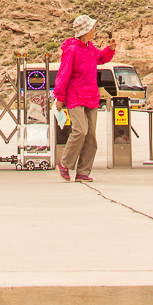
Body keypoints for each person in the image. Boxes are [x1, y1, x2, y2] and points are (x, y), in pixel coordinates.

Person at [52, 14, 114, 183]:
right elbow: (63, 75)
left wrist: (110, 49)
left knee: (91, 136)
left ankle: (83, 172)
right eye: (92, 28)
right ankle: (64, 164)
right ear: (85, 31)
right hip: (75, 97)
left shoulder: (90, 48)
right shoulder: (72, 50)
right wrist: (60, 97)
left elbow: (100, 58)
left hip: (91, 96)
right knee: (80, 130)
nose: (94, 30)